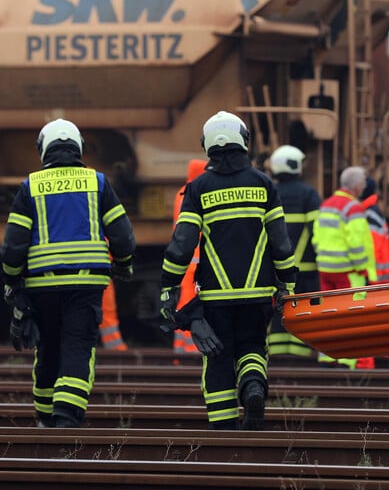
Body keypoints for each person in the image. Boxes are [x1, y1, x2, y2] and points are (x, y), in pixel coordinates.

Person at [159, 111, 297, 430]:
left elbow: (181, 247)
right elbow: (281, 243)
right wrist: (287, 283)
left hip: (216, 297)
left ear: (207, 144)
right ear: (243, 141)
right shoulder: (264, 184)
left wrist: (168, 288)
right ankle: (252, 388)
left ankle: (224, 437)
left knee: (219, 358)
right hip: (259, 293)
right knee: (251, 347)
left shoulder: (198, 188)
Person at [0, 118, 136, 428]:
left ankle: (46, 416)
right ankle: (67, 413)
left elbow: (12, 247)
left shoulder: (30, 186)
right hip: (85, 286)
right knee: (77, 345)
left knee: (47, 346)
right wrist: (125, 264)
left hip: (42, 287)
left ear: (42, 150)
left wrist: (12, 281)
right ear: (79, 148)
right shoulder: (98, 183)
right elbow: (123, 238)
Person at [312, 165, 377, 369]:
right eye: (363, 183)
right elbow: (356, 243)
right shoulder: (353, 208)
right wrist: (362, 268)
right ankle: (348, 359)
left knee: (327, 314)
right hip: (347, 271)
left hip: (326, 268)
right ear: (357, 186)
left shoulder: (327, 204)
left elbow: (317, 238)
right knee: (351, 314)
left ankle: (326, 357)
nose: (365, 187)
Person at [266, 145, 320, 358]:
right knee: (303, 313)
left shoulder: (270, 193)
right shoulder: (309, 194)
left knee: (278, 312)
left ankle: (278, 358)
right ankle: (300, 358)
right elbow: (317, 232)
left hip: (274, 270)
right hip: (305, 270)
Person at [170, 159, 208, 356]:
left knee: (185, 304)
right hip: (198, 260)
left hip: (186, 260)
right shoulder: (198, 193)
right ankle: (193, 349)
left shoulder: (181, 193)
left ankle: (182, 349)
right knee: (196, 307)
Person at [359, 176, 389, 284]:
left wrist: (368, 275)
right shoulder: (372, 211)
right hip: (379, 275)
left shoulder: (370, 214)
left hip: (375, 277)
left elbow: (373, 248)